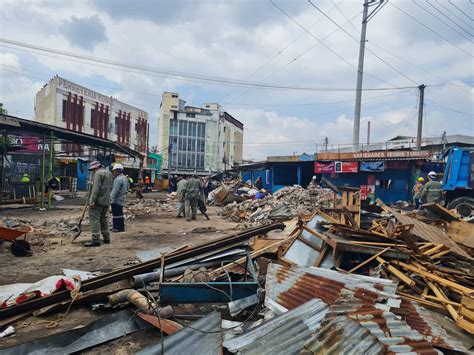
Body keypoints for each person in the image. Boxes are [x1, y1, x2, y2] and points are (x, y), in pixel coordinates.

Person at [84, 161, 113, 247]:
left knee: (95, 220)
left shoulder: (98, 174)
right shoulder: (109, 173)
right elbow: (110, 188)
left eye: (93, 169)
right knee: (103, 219)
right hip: (106, 201)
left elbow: (96, 189)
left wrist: (92, 201)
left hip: (97, 202)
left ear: (96, 167)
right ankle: (106, 238)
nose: (92, 171)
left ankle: (95, 240)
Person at [110, 163, 128, 232]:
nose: (113, 172)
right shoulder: (125, 178)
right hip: (122, 198)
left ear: (117, 171)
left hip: (116, 200)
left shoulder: (118, 179)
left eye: (114, 171)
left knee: (116, 214)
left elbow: (115, 191)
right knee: (120, 214)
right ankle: (121, 227)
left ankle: (116, 227)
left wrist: (110, 199)